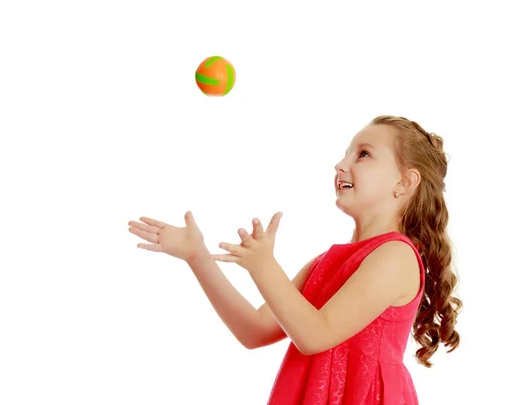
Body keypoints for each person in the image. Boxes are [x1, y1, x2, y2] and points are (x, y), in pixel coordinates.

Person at [127, 115, 462, 404]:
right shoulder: (324, 263)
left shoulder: (396, 256)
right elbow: (255, 331)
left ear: (404, 182)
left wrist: (264, 267)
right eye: (346, 153)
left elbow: (316, 334)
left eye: (363, 154)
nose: (340, 164)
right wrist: (198, 257)